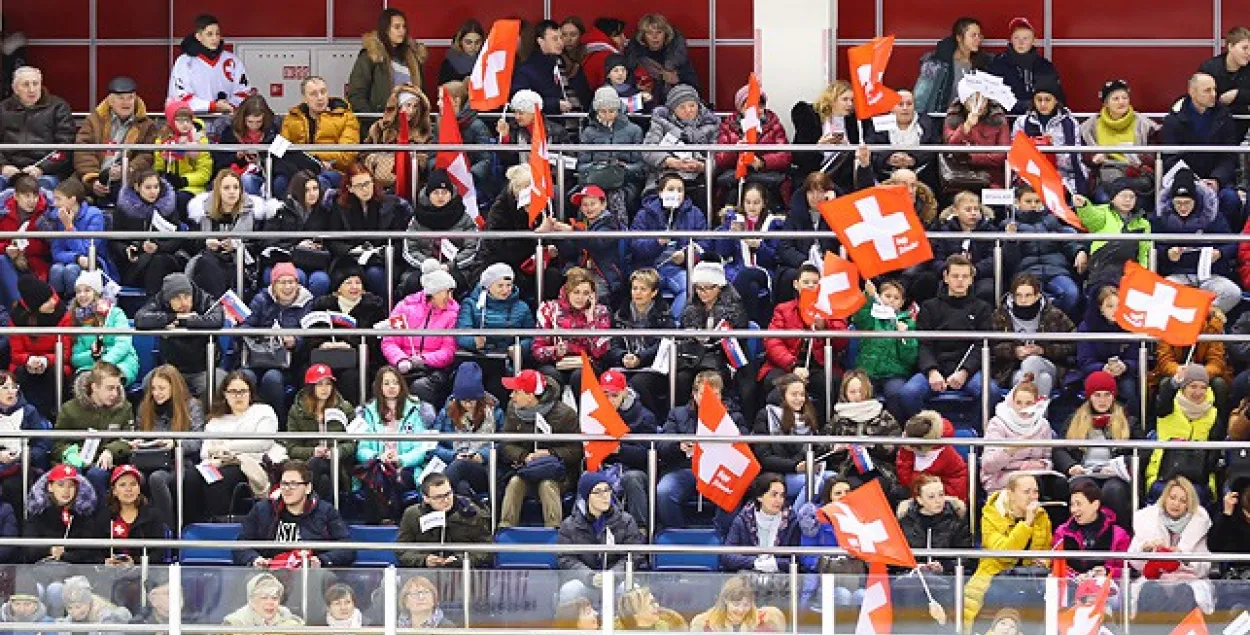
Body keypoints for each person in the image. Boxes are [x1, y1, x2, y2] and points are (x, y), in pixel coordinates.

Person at [893, 255, 996, 422]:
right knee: (908, 394)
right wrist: (932, 371)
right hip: (935, 367)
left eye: (965, 276)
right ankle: (929, 431)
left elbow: (982, 345)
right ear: (946, 277)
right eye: (955, 276)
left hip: (968, 370)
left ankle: (975, 433)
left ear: (971, 279)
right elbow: (923, 344)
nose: (960, 281)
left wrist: (964, 371)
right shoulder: (929, 307)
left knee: (991, 392)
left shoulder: (982, 308)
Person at [183, 372, 283, 524]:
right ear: (225, 394)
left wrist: (225, 447)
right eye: (233, 392)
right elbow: (205, 452)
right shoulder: (216, 419)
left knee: (218, 479)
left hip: (250, 463)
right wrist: (224, 451)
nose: (238, 396)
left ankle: (219, 529)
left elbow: (262, 443)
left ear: (250, 393)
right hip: (218, 463)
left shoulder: (263, 412)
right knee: (190, 477)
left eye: (243, 391)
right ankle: (194, 526)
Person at [657, 372, 747, 529]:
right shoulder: (677, 414)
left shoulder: (734, 417)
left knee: (734, 490)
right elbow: (662, 447)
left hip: (721, 471)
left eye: (715, 395)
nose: (709, 399)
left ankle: (722, 537)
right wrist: (679, 446)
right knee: (664, 491)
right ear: (694, 394)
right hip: (686, 469)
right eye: (704, 394)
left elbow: (746, 448)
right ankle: (678, 535)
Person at [962, 473, 1052, 627]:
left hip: (1029, 578)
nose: (1033, 497)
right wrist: (1027, 523)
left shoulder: (1042, 516)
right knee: (1015, 596)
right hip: (995, 577)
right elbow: (1004, 555)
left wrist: (1046, 561)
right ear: (1011, 494)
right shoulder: (991, 516)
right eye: (1026, 492)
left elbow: (1048, 549)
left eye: (1035, 492)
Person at [352, 366, 437, 524]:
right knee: (378, 474)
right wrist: (379, 457)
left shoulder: (416, 411)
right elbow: (362, 450)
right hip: (378, 465)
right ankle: (379, 525)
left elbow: (421, 449)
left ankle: (392, 521)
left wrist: (400, 459)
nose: (391, 387)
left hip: (406, 467)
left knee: (396, 476)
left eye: (395, 383)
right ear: (379, 387)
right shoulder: (368, 413)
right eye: (386, 383)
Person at [234, 459, 355, 568]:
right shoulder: (262, 510)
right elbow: (241, 545)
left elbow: (347, 548)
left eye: (293, 484)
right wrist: (255, 560)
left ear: (307, 488)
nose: (287, 489)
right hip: (269, 574)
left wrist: (321, 561)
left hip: (311, 575)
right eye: (284, 484)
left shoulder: (326, 511)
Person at [1053, 371, 1136, 529]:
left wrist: (1122, 464)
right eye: (1097, 395)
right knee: (1083, 492)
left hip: (1114, 474)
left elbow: (1142, 451)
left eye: (1107, 395)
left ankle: (1119, 538)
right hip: (1084, 472)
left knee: (1114, 491)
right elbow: (1059, 449)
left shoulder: (1128, 420)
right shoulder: (1074, 419)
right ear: (1089, 396)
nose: (1103, 400)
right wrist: (1070, 466)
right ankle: (1078, 537)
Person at [499, 370, 580, 528]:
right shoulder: (512, 409)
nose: (511, 396)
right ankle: (505, 529)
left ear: (530, 396)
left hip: (558, 474)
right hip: (525, 469)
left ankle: (553, 531)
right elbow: (505, 444)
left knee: (547, 485)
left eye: (516, 392)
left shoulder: (565, 414)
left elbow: (576, 450)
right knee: (515, 482)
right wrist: (524, 456)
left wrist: (551, 454)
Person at [1162, 73, 1243, 228]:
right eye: (1207, 90)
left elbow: (1230, 156)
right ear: (1192, 92)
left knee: (1231, 199)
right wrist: (1194, 181)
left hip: (1217, 180)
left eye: (1214, 89)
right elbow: (1170, 158)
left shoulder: (1224, 116)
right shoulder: (1174, 119)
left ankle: (1227, 246)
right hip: (1185, 180)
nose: (1213, 94)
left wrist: (1217, 179)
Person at [237, 262, 313, 427]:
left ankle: (277, 427)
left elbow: (310, 336)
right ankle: (244, 427)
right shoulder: (261, 299)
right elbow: (244, 327)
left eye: (291, 282)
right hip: (257, 357)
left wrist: (295, 341)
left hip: (287, 363)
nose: (287, 287)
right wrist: (263, 335)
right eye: (282, 282)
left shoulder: (307, 302)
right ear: (273, 284)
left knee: (273, 378)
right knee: (244, 378)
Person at [1155, 169, 1241, 312]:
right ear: (1171, 201)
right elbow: (1152, 246)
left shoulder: (1212, 215)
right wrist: (1167, 253)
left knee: (1232, 292)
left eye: (1187, 203)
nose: (1183, 207)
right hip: (1177, 275)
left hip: (1210, 275)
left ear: (1196, 200)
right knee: (1162, 294)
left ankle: (1203, 318)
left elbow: (1232, 243)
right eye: (1178, 203)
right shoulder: (1160, 218)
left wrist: (1220, 253)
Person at [1128, 476, 1215, 617]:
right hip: (1154, 580)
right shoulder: (1146, 520)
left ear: (1189, 505)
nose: (1176, 504)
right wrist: (1146, 550)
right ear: (1165, 498)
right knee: (1150, 590)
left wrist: (1183, 558)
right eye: (1173, 498)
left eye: (1183, 501)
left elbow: (1204, 566)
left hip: (1187, 582)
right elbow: (1134, 561)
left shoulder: (1198, 524)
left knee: (1183, 591)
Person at [556, 471, 645, 603]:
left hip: (616, 580)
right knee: (570, 590)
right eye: (597, 492)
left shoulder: (626, 521)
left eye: (607, 490)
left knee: (632, 590)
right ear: (587, 497)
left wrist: (613, 576)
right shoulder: (569, 525)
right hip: (585, 581)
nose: (605, 496)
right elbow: (566, 558)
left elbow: (634, 555)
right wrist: (590, 577)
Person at [133, 273, 225, 399]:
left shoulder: (203, 298)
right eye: (177, 298)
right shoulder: (160, 299)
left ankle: (208, 418)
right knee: (148, 384)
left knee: (217, 384)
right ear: (168, 300)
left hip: (203, 369)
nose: (183, 302)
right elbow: (140, 319)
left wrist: (186, 321)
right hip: (171, 369)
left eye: (187, 296)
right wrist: (172, 317)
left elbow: (218, 319)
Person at [629, 172, 709, 317]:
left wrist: (686, 257)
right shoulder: (644, 214)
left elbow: (704, 245)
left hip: (676, 269)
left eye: (680, 190)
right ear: (660, 192)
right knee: (640, 288)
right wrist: (657, 243)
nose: (676, 193)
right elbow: (635, 246)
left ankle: (672, 326)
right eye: (671, 189)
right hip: (649, 268)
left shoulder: (695, 214)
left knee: (688, 286)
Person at [307, 262, 387, 404]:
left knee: (351, 377)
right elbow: (312, 337)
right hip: (327, 358)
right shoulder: (323, 306)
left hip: (359, 362)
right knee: (315, 373)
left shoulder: (374, 308)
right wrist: (323, 344)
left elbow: (377, 343)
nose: (354, 287)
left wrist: (351, 346)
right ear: (338, 288)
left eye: (358, 282)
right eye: (348, 283)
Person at [455, 263, 535, 403]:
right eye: (500, 285)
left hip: (507, 361)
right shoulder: (471, 304)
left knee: (498, 384)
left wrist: (520, 348)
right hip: (479, 358)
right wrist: (474, 342)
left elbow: (531, 336)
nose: (505, 290)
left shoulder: (522, 307)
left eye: (509, 285)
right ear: (488, 286)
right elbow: (461, 335)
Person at [677, 261, 752, 409]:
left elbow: (739, 338)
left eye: (708, 288)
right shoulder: (691, 306)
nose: (702, 292)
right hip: (695, 355)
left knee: (713, 379)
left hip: (724, 356)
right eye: (698, 287)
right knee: (681, 378)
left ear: (719, 287)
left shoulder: (735, 307)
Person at [134, 364, 202, 528]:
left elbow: (197, 441)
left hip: (178, 462)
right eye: (153, 388)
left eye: (162, 388)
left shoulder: (192, 406)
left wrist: (175, 443)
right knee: (130, 478)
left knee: (157, 478)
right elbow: (138, 433)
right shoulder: (145, 407)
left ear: (174, 387)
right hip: (148, 459)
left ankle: (167, 531)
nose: (156, 393)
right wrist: (138, 442)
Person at [383, 261, 459, 406]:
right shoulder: (405, 306)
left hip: (434, 369)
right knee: (386, 382)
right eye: (447, 292)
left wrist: (422, 359)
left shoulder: (453, 314)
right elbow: (390, 341)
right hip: (403, 364)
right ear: (434, 292)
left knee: (421, 387)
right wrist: (400, 359)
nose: (450, 297)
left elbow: (449, 351)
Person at [53, 362, 134, 498]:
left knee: (97, 474)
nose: (115, 393)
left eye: (117, 388)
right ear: (94, 387)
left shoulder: (125, 408)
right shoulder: (69, 409)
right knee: (72, 474)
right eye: (109, 388)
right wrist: (69, 454)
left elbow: (129, 439)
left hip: (108, 464)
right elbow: (57, 445)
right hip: (77, 461)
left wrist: (111, 451)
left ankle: (101, 518)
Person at [73, 76, 157, 204]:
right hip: (94, 175)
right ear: (110, 101)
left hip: (126, 177)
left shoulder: (147, 125)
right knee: (67, 192)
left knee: (125, 192)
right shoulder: (94, 121)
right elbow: (83, 152)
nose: (126, 103)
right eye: (121, 98)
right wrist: (93, 179)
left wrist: (127, 169)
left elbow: (146, 155)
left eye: (130, 98)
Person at [326, 164, 408, 296]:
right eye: (359, 186)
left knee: (374, 273)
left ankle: (382, 311)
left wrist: (381, 252)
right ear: (350, 188)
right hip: (350, 260)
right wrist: (352, 251)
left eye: (368, 183)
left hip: (382, 260)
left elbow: (399, 242)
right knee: (350, 277)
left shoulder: (390, 205)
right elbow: (333, 242)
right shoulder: (340, 206)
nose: (365, 189)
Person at [186, 170, 270, 298]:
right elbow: (190, 243)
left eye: (236, 187)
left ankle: (215, 309)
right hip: (210, 262)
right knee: (207, 264)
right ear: (217, 191)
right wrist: (206, 242)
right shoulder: (203, 214)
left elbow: (259, 245)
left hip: (241, 265)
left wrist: (237, 246)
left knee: (211, 267)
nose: (232, 191)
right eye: (226, 188)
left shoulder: (253, 215)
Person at [990, 273, 1076, 399]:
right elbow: (993, 345)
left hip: (1050, 365)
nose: (1023, 300)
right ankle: (1037, 417)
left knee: (1032, 360)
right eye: (1018, 295)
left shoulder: (1053, 315)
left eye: (1028, 295)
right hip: (1011, 370)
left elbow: (1074, 342)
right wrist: (1014, 351)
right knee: (1043, 380)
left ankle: (1018, 416)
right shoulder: (1001, 315)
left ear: (1037, 296)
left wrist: (1044, 350)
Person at [606, 268, 674, 417]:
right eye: (635, 288)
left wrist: (640, 358)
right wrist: (622, 356)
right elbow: (612, 344)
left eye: (643, 289)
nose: (637, 293)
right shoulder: (620, 315)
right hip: (624, 365)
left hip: (653, 368)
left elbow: (664, 345)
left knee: (638, 383)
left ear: (654, 292)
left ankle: (651, 422)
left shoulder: (664, 316)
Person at [1078, 80, 1160, 204]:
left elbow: (1155, 153)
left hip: (1135, 174)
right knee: (1104, 199)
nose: (1121, 102)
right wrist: (1094, 159)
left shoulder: (1145, 124)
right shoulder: (1091, 125)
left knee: (1139, 199)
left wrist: (1141, 159)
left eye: (1125, 98)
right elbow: (1084, 156)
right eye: (1116, 99)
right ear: (1106, 103)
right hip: (1106, 173)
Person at [1146, 365, 1220, 500]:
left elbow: (1213, 454)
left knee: (1197, 494)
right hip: (1164, 474)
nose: (1198, 392)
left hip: (1198, 477)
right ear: (1183, 387)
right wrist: (1174, 382)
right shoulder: (1169, 406)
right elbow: (1164, 397)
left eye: (1203, 387)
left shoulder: (1214, 413)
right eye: (1193, 386)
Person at [401, 170, 480, 294]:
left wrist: (450, 265)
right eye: (436, 193)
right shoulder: (417, 219)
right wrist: (429, 266)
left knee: (458, 282)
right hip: (424, 268)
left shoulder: (464, 217)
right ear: (428, 195)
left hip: (456, 268)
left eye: (444, 192)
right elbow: (409, 249)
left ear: (451, 194)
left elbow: (472, 248)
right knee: (412, 283)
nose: (440, 196)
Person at [285, 364, 355, 503]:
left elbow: (353, 442)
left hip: (338, 466)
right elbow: (292, 448)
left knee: (317, 467)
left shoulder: (344, 408)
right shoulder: (297, 411)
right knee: (323, 480)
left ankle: (301, 506)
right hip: (310, 466)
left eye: (328, 384)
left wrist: (336, 451)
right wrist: (313, 451)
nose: (325, 388)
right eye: (320, 384)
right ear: (310, 387)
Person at [111, 169, 188, 294]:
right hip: (135, 264)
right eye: (148, 187)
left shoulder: (168, 208)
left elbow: (178, 239)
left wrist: (158, 247)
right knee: (152, 263)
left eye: (156, 187)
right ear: (137, 187)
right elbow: (115, 241)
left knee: (158, 261)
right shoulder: (123, 210)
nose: (153, 191)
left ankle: (153, 304)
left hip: (164, 259)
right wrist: (127, 251)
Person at [533, 267, 611, 389]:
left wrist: (590, 319)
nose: (580, 297)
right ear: (567, 291)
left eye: (586, 293)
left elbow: (601, 352)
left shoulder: (600, 312)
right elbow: (537, 351)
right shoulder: (548, 309)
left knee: (579, 376)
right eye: (576, 292)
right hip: (556, 363)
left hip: (587, 363)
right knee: (551, 376)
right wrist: (555, 351)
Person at [545, 184, 626, 304]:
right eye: (584, 205)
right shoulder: (581, 224)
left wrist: (573, 231)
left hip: (604, 276)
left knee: (595, 299)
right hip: (582, 272)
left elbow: (597, 243)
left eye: (593, 204)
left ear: (603, 204)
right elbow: (571, 252)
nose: (588, 208)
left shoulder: (611, 224)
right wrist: (558, 235)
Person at [431, 363, 501, 499]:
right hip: (453, 464)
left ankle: (431, 506)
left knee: (460, 466)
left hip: (484, 469)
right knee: (462, 488)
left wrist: (482, 455)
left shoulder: (495, 412)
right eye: (464, 400)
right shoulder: (447, 412)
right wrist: (453, 455)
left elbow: (502, 444)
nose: (468, 405)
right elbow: (432, 444)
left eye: (472, 400)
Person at [827, 369, 902, 495]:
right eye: (852, 392)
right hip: (846, 471)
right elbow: (823, 446)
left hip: (880, 469)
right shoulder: (837, 418)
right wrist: (835, 449)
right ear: (845, 393)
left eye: (861, 391)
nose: (858, 396)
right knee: (851, 486)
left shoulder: (883, 416)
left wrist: (874, 446)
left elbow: (896, 447)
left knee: (880, 485)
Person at [280, 76, 361, 191]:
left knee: (318, 182)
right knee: (279, 181)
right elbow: (280, 151)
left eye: (323, 92)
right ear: (305, 98)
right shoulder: (292, 118)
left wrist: (314, 156)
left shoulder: (346, 117)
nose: (320, 98)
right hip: (299, 170)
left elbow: (347, 155)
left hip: (334, 171)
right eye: (313, 94)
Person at [397, 472, 492, 569]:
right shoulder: (412, 515)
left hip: (463, 573)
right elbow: (402, 550)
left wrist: (461, 560)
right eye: (439, 497)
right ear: (426, 498)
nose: (446, 500)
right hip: (425, 573)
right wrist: (424, 560)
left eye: (448, 494)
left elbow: (487, 550)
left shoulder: (472, 512)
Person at [932, 190, 1013, 303]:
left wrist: (975, 270)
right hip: (952, 275)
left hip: (980, 275)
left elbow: (994, 259)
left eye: (976, 209)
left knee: (987, 289)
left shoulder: (989, 231)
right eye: (968, 209)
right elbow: (938, 259)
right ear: (956, 211)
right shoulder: (945, 231)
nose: (973, 213)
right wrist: (950, 271)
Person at [262, 169, 334, 296]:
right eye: (307, 190)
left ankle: (311, 312)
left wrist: (319, 246)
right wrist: (296, 247)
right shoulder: (281, 211)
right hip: (286, 260)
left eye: (315, 188)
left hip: (314, 262)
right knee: (298, 276)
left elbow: (331, 243)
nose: (312, 194)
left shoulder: (324, 213)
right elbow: (268, 241)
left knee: (321, 280)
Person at [0, 66, 74, 189]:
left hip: (46, 171)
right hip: (9, 169)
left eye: (35, 84)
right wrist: (3, 166)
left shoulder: (58, 107)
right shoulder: (2, 109)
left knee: (44, 185)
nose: (32, 89)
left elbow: (65, 147)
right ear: (15, 89)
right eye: (26, 85)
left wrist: (41, 168)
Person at [752, 376, 825, 501]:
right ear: (782, 396)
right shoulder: (765, 415)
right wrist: (795, 466)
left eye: (802, 394)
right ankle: (795, 518)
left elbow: (815, 446)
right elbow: (764, 457)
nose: (799, 399)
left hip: (803, 470)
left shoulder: (808, 416)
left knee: (832, 478)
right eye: (794, 394)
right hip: (777, 474)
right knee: (814, 483)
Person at [1012, 76, 1088, 193]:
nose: (1043, 104)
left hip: (1063, 176)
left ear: (1055, 100)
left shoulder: (1069, 123)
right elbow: (1016, 154)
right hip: (1031, 176)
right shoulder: (1022, 122)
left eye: (1047, 100)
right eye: (1039, 99)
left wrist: (1053, 150)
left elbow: (1075, 157)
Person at [578, 87, 646, 216]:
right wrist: (597, 168)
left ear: (618, 110)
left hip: (625, 182)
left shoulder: (634, 130)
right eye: (603, 112)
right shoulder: (588, 132)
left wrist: (624, 169)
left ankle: (619, 232)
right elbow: (581, 166)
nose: (607, 115)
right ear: (596, 111)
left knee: (617, 197)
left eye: (612, 111)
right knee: (590, 199)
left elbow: (641, 165)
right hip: (595, 180)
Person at [8, 275, 70, 417]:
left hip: (55, 361)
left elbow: (66, 353)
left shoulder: (62, 313)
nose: (53, 302)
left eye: (51, 297)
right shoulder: (17, 317)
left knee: (55, 373)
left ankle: (53, 415)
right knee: (20, 374)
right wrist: (29, 360)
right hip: (26, 362)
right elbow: (16, 353)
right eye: (47, 301)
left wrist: (45, 360)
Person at [1073, 185, 1152, 296]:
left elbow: (1144, 253)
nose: (1128, 200)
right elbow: (1091, 217)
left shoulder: (1143, 223)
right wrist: (1083, 205)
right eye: (1124, 196)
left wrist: (1143, 276)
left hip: (1129, 270)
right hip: (1103, 268)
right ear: (1113, 198)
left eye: (1132, 197)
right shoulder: (1103, 212)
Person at [1075, 286, 1141, 415]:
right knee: (1096, 388)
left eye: (1119, 306)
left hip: (1124, 373)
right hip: (1095, 372)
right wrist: (1103, 368)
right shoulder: (1087, 326)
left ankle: (1134, 425)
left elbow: (1137, 358)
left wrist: (1125, 366)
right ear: (1101, 308)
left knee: (1128, 389)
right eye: (1110, 306)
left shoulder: (1132, 324)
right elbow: (1084, 361)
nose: (1115, 311)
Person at [713, 84, 791, 192]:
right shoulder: (728, 126)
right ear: (740, 107)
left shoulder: (774, 125)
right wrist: (735, 151)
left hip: (765, 175)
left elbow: (785, 156)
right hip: (735, 174)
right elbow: (720, 158)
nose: (756, 110)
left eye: (760, 106)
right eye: (751, 106)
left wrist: (762, 162)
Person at [790, 80, 868, 186]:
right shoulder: (811, 118)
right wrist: (819, 146)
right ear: (832, 99)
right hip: (817, 170)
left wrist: (846, 145)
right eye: (845, 99)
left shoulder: (854, 121)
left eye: (852, 100)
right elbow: (798, 157)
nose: (850, 104)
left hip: (845, 172)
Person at [348, 8, 427, 113]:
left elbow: (422, 92)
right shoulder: (371, 56)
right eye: (397, 27)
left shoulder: (414, 57)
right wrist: (373, 120)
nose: (402, 31)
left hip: (411, 120)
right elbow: (356, 94)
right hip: (380, 121)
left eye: (404, 27)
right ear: (385, 29)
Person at [167, 15, 250, 114]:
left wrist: (229, 106)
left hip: (226, 122)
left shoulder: (232, 61)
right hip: (193, 123)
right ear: (199, 37)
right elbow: (180, 97)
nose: (215, 38)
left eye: (217, 34)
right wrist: (212, 106)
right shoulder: (184, 62)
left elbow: (243, 92)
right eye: (209, 34)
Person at [641, 86, 718, 193]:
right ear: (673, 109)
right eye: (682, 107)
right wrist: (670, 162)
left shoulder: (711, 125)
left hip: (698, 180)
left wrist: (703, 166)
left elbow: (717, 156)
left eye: (692, 105)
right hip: (663, 177)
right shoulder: (660, 122)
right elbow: (648, 150)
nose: (688, 111)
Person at [44, 179, 113, 296]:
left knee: (71, 270)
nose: (54, 204)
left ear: (72, 200)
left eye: (58, 199)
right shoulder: (58, 217)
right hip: (71, 261)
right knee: (56, 270)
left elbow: (87, 250)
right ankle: (57, 305)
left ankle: (74, 304)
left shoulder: (94, 215)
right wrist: (76, 258)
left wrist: (69, 228)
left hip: (94, 262)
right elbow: (56, 252)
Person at [23, 464, 105, 563]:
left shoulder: (83, 517)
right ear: (50, 487)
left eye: (71, 485)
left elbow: (89, 553)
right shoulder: (38, 514)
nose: (66, 491)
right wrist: (50, 550)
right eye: (61, 485)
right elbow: (28, 549)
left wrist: (64, 556)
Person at [852, 278, 918, 399]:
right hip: (868, 372)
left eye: (896, 298)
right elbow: (859, 316)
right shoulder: (871, 318)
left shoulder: (908, 323)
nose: (891, 300)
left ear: (902, 302)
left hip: (895, 374)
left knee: (895, 394)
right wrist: (869, 296)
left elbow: (910, 359)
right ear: (880, 297)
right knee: (859, 392)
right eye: (887, 296)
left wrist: (905, 337)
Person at [67, 270, 138, 384]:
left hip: (121, 362)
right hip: (90, 366)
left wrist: (104, 361)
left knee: (109, 381)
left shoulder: (115, 313)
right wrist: (93, 354)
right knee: (87, 384)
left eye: (87, 290)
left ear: (96, 293)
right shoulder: (75, 319)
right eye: (78, 291)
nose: (82, 295)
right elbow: (75, 358)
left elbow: (123, 344)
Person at [913, 17, 991, 115]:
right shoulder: (937, 64)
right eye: (973, 35)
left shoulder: (983, 64)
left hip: (971, 122)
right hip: (941, 120)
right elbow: (920, 97)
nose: (978, 39)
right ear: (959, 37)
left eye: (979, 36)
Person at [867, 89, 942, 192]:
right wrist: (888, 159)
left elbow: (935, 148)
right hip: (885, 178)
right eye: (900, 104)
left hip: (922, 178)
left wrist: (914, 159)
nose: (905, 108)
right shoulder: (879, 124)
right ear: (892, 107)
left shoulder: (927, 123)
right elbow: (871, 149)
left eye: (909, 104)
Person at [1052, 479, 1130, 578]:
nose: (1074, 510)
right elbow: (1056, 565)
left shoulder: (1118, 534)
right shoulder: (1062, 532)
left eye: (1079, 504)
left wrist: (1107, 571)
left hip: (1107, 589)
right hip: (1070, 588)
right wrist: (1076, 577)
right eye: (1072, 505)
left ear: (1095, 505)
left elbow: (1127, 570)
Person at [0, 371, 52, 519]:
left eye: (14, 386)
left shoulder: (29, 411)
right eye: (4, 387)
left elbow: (43, 444)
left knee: (13, 486)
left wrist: (24, 455)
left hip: (24, 467)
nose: (11, 391)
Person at [362, 84, 431, 192]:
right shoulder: (379, 128)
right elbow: (364, 152)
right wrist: (373, 158)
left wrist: (411, 161)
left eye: (415, 106)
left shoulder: (422, 130)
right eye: (408, 105)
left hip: (410, 183)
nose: (411, 110)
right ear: (398, 106)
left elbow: (425, 158)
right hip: (378, 182)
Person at [987, 18, 1060, 114]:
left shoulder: (1045, 67)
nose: (1021, 42)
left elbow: (1054, 99)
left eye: (1026, 38)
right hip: (1005, 122)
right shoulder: (998, 65)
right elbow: (992, 99)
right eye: (1016, 38)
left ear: (1034, 40)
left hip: (1038, 121)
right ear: (1010, 40)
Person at [0, 175, 53, 308]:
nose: (32, 201)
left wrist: (24, 250)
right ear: (16, 196)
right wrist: (6, 248)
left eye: (35, 196)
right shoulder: (3, 212)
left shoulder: (47, 213)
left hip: (36, 266)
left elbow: (53, 245)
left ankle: (21, 310)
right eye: (27, 196)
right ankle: (18, 308)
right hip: (9, 263)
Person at [942, 91, 1011, 191]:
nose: (978, 104)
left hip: (991, 178)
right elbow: (951, 146)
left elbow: (1001, 155)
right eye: (972, 100)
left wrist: (970, 156)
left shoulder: (999, 119)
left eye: (982, 100)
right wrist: (966, 126)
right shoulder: (953, 117)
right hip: (960, 178)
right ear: (963, 100)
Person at [624, 14, 700, 103]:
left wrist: (678, 79)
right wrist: (637, 89)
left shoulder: (678, 59)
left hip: (675, 108)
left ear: (666, 34)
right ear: (643, 36)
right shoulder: (635, 60)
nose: (654, 37)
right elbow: (625, 90)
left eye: (659, 32)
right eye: (649, 33)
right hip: (644, 109)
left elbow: (695, 90)